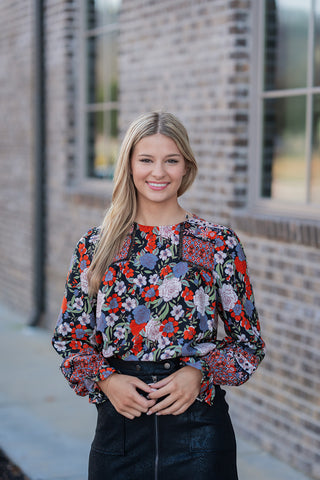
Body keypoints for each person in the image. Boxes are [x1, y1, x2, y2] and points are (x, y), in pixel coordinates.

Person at [52, 111, 265, 480]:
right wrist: (106, 379)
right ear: (129, 165)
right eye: (146, 160)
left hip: (199, 431)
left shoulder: (217, 243)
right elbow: (71, 339)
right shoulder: (96, 246)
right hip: (119, 428)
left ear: (186, 167)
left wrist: (199, 373)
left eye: (171, 160)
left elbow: (248, 343)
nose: (159, 172)